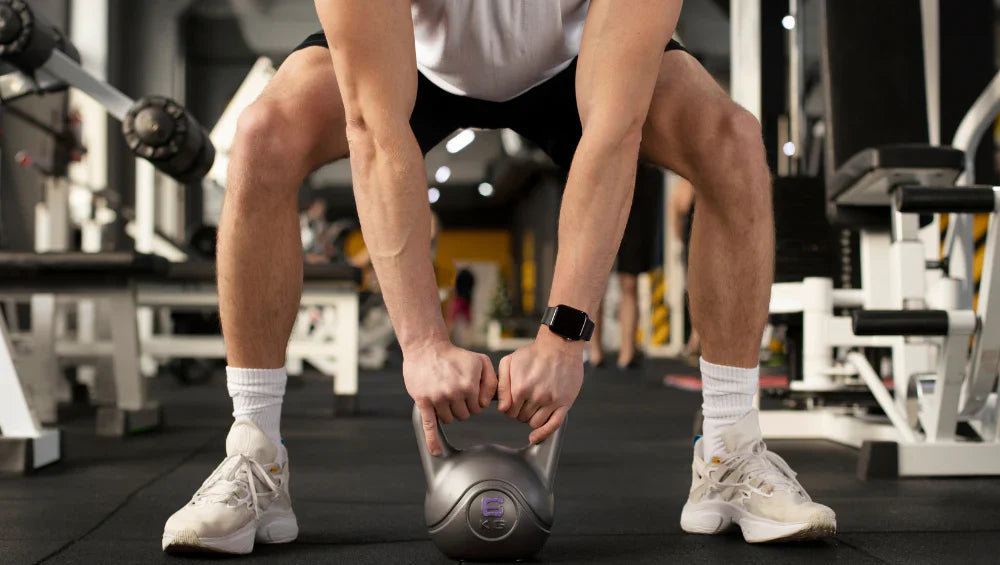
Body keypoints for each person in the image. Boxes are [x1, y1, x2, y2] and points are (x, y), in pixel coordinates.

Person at [162, 0, 835, 554]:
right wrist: (422, 341)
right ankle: (254, 451)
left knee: (733, 142)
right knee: (260, 137)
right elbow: (374, 127)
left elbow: (613, 129)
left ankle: (730, 449)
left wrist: (565, 337)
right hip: (414, 55)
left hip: (580, 55)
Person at [589, 164, 662, 369]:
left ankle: (627, 352)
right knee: (596, 280)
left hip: (637, 185)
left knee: (630, 281)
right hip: (603, 186)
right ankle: (595, 351)